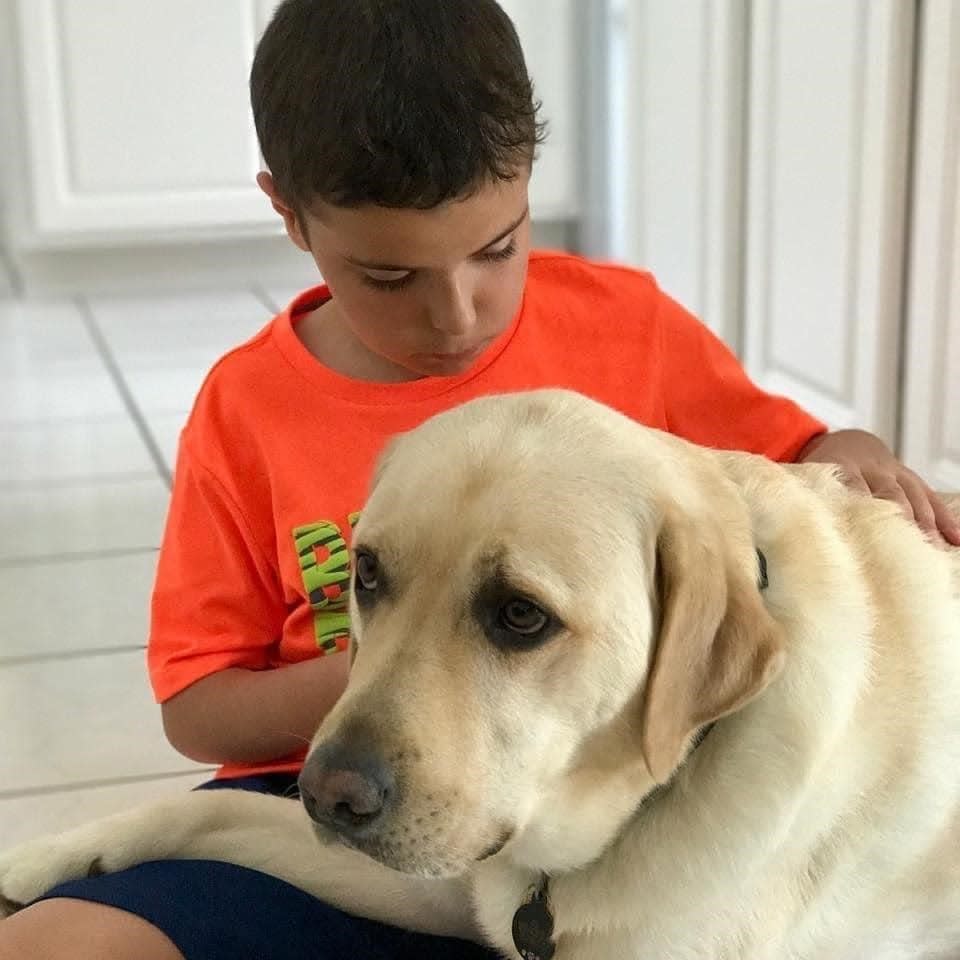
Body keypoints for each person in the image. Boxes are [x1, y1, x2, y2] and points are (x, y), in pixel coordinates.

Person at [1, 2, 956, 958]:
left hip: (558, 818)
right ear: (288, 214)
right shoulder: (246, 407)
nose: (458, 315)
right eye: (387, 276)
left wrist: (850, 444)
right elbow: (197, 704)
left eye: (498, 249)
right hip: (321, 781)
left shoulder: (629, 327)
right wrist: (390, 665)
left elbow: (776, 484)